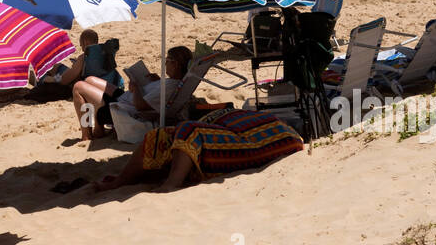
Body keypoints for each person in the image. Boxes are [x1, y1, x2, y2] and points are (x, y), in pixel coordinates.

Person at [92, 107, 303, 194]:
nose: (168, 64)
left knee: (188, 130)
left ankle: (171, 183)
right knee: (164, 136)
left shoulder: (285, 132)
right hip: (232, 126)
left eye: (170, 61)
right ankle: (124, 179)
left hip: (247, 134)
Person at [71, 45, 191, 142]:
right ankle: (99, 128)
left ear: (176, 64)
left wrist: (136, 89)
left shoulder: (170, 87)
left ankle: (86, 135)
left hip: (123, 109)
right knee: (89, 79)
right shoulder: (175, 82)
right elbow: (158, 98)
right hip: (126, 98)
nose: (165, 64)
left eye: (167, 60)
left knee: (78, 87)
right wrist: (158, 81)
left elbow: (140, 106)